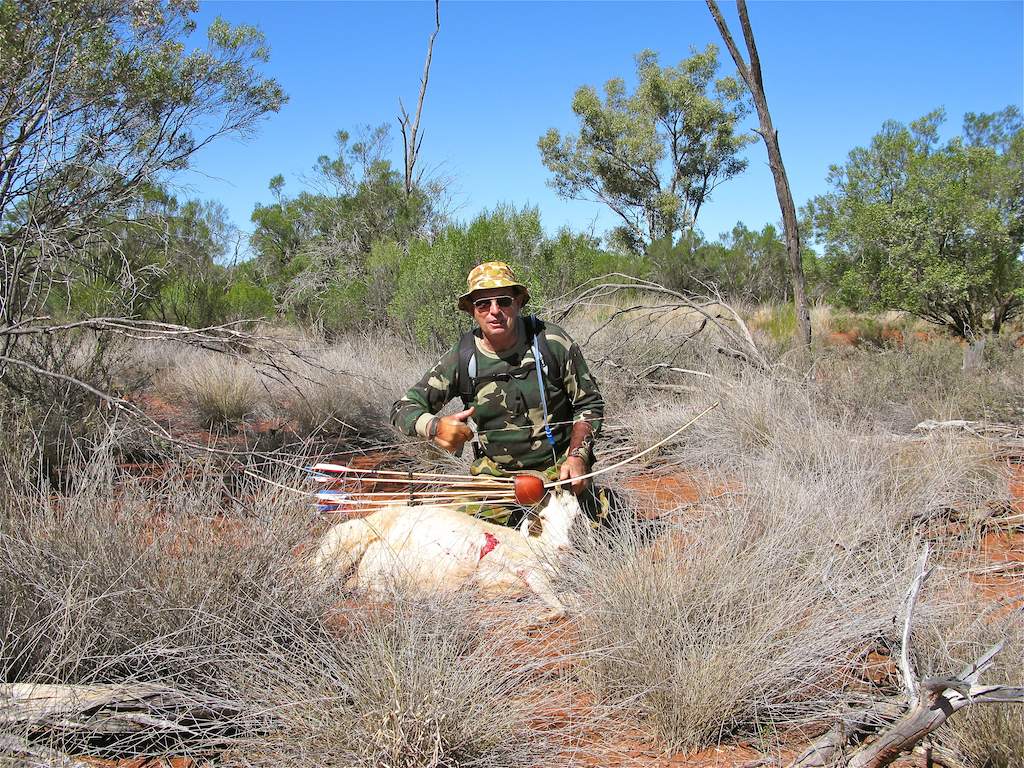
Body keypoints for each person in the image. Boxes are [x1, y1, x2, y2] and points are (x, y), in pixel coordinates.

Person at [390, 261, 607, 524]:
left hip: (558, 473)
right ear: (472, 311)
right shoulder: (463, 357)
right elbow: (402, 409)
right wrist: (435, 427)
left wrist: (577, 458)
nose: (495, 311)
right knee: (458, 542)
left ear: (518, 303)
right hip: (495, 481)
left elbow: (589, 404)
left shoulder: (551, 342)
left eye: (503, 301)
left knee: (581, 542)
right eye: (483, 304)